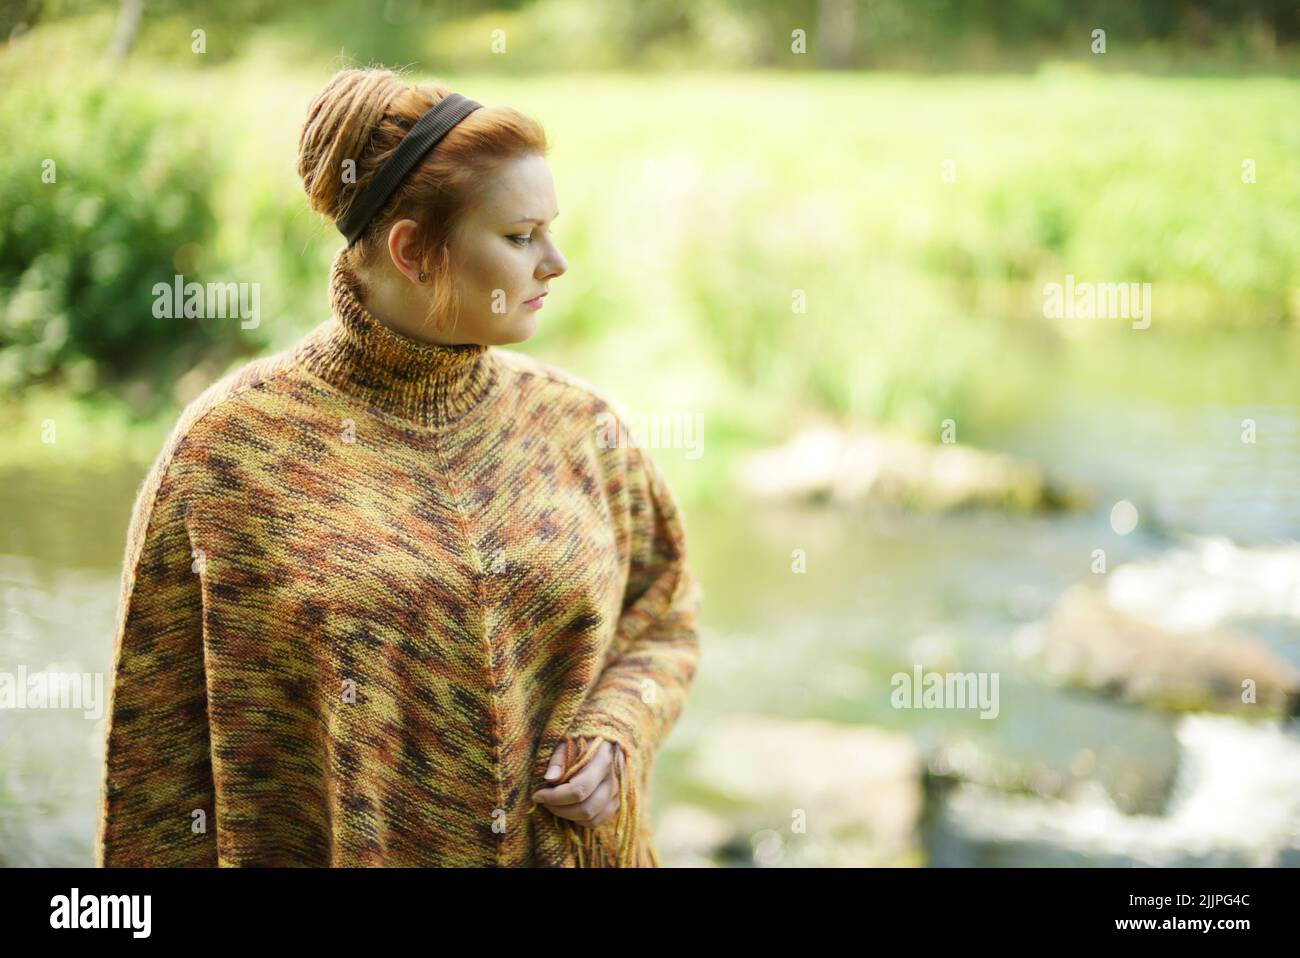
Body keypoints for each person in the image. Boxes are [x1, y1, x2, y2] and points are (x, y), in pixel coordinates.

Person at [95, 66, 703, 867]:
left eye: (550, 230)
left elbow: (664, 613)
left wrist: (619, 729)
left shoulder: (578, 425)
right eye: (520, 237)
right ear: (413, 249)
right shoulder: (225, 455)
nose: (555, 262)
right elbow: (156, 770)